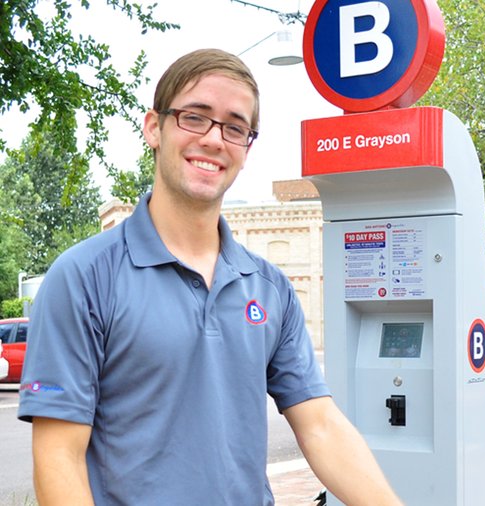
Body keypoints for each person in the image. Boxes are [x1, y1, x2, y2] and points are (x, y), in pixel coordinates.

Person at [18, 48, 401, 506]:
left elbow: (319, 424)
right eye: (195, 117)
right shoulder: (83, 277)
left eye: (234, 127)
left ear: (247, 147)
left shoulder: (269, 287)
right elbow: (58, 456)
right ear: (154, 128)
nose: (215, 139)